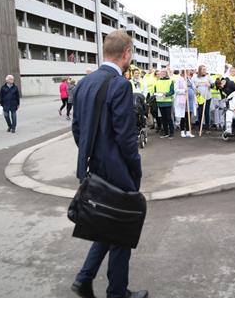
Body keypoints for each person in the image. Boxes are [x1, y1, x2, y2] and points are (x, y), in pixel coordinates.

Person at [70, 30, 147, 298]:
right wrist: (135, 170)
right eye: (132, 52)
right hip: (117, 170)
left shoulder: (83, 83)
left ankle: (84, 278)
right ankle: (117, 293)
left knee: (108, 225)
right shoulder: (120, 84)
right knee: (122, 229)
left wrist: (92, 155)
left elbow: (77, 128)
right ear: (126, 53)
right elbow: (126, 138)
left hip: (95, 168)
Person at [174, 70, 197, 138]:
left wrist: (195, 88)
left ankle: (188, 131)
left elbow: (193, 87)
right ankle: (182, 131)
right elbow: (176, 90)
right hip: (182, 100)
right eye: (188, 71)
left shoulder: (189, 79)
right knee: (183, 116)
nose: (189, 72)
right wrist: (184, 91)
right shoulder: (179, 79)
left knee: (188, 116)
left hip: (190, 100)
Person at [154, 68, 175, 139]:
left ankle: (171, 133)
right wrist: (157, 94)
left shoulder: (170, 81)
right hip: (160, 102)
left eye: (164, 72)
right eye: (161, 72)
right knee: (163, 118)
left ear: (166, 73)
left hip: (167, 102)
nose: (162, 73)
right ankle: (165, 133)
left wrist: (166, 94)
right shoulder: (157, 82)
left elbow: (172, 92)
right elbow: (155, 91)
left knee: (169, 117)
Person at [192, 65, 212, 133]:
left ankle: (207, 128)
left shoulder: (208, 77)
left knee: (206, 112)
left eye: (205, 69)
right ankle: (200, 127)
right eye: (203, 69)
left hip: (207, 97)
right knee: (200, 112)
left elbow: (213, 85)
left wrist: (209, 85)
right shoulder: (195, 77)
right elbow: (192, 85)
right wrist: (195, 86)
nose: (204, 71)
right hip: (199, 97)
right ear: (200, 70)